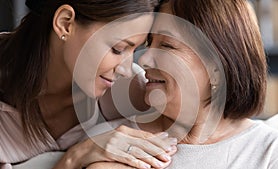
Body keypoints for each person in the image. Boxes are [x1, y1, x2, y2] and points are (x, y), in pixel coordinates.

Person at [85, 0, 278, 168]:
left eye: (167, 45)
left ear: (216, 69)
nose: (143, 60)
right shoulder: (119, 141)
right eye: (150, 43)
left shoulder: (273, 152)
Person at [0, 0, 178, 169]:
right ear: (65, 23)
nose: (126, 69)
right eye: (118, 49)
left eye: (135, 49)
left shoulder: (131, 91)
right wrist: (74, 158)